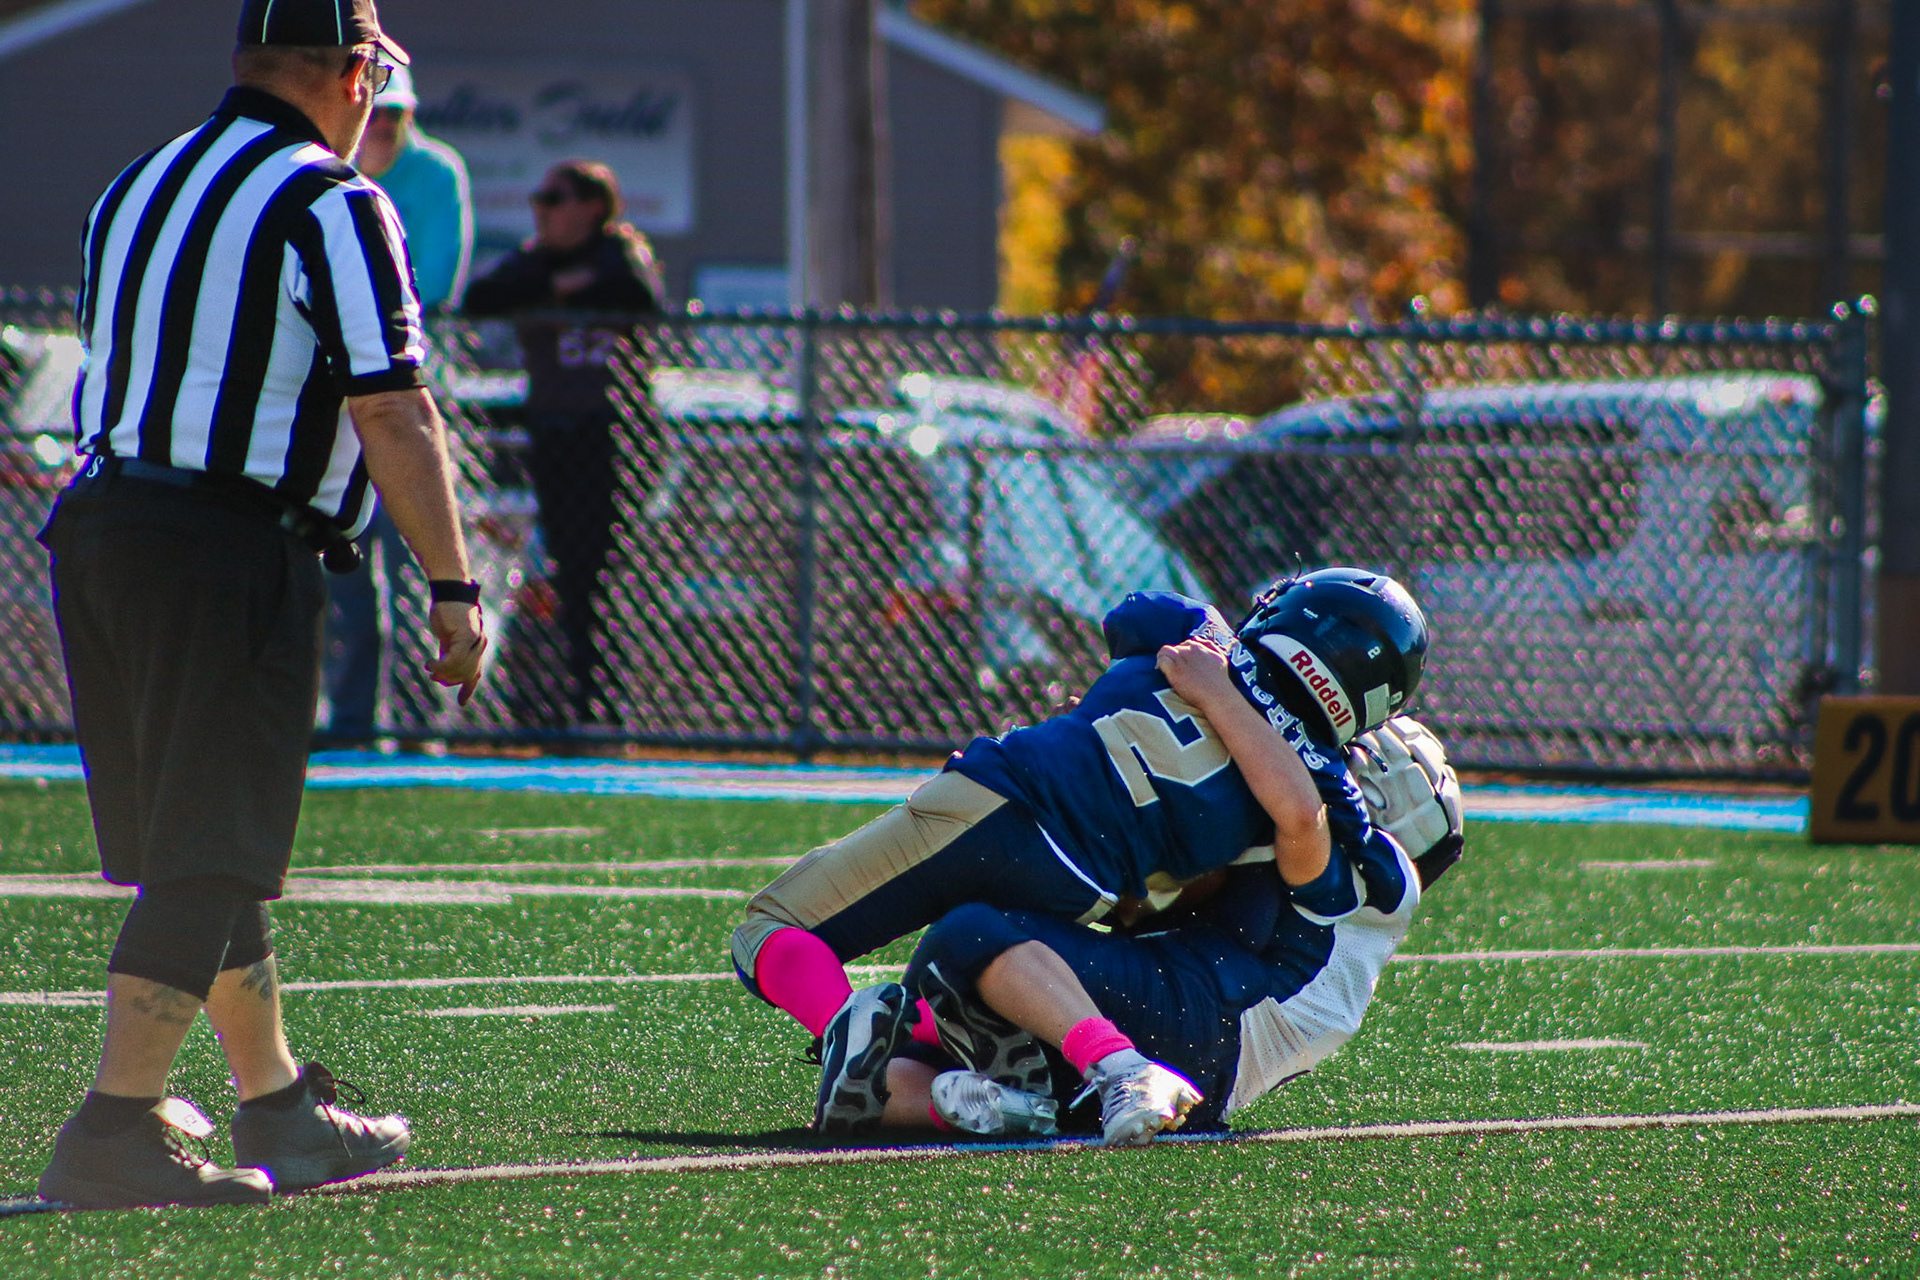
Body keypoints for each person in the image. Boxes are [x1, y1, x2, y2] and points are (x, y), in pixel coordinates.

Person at [34, 0, 487, 1209]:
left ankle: (279, 1101)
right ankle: (114, 1125)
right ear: (354, 72)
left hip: (101, 526)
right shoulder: (335, 200)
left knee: (192, 839)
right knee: (210, 846)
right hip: (226, 546)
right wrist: (453, 582)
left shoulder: (138, 182)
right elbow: (392, 405)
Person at [731, 567, 1432, 1134]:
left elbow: (1132, 616)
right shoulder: (1310, 782)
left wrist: (1208, 687)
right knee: (946, 977)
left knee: (773, 929)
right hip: (1089, 889)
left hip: (1015, 805)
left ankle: (848, 1030)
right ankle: (986, 1101)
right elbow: (1280, 830)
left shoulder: (1199, 638)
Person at [861, 714, 1464, 1147]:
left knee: (971, 933)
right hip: (1194, 1030)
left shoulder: (1383, 873)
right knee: (869, 1085)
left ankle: (1118, 1068)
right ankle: (1025, 1111)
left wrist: (1216, 687)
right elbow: (1148, 902)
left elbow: (1302, 817)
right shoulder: (1308, 867)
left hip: (1211, 1033)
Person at [461, 160, 666, 725]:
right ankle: (582, 704)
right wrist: (557, 287)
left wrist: (572, 288)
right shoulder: (537, 261)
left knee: (597, 568)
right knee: (570, 571)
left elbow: (639, 296)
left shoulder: (618, 253)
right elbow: (482, 297)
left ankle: (603, 704)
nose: (542, 211)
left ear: (592, 207)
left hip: (614, 434)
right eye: (539, 199)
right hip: (554, 430)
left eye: (555, 199)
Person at [319, 60, 476, 746]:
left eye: (395, 115)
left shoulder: (436, 174)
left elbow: (431, 281)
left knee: (422, 573)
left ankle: (421, 729)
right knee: (345, 575)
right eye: (375, 111)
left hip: (409, 401)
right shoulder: (325, 174)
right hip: (336, 409)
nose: (381, 126)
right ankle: (351, 724)